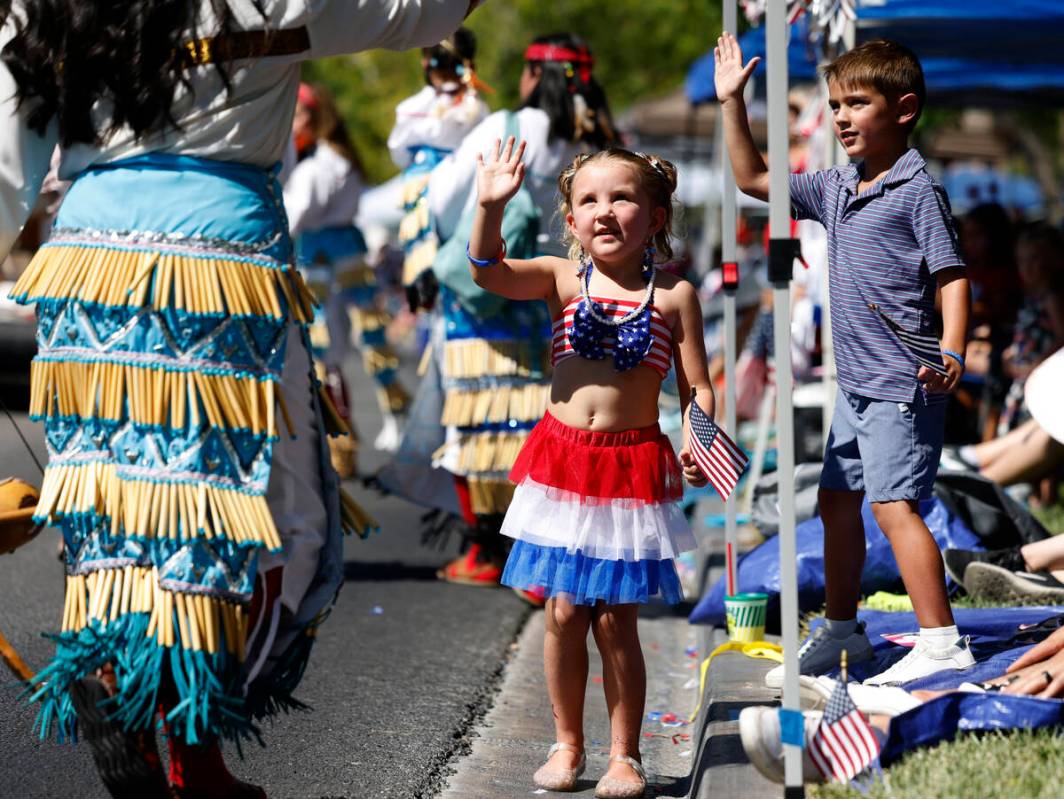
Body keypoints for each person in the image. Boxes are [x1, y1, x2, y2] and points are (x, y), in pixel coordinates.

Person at [0, 1, 476, 796]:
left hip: (85, 263)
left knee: (113, 501)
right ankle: (194, 743)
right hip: (222, 261)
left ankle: (115, 669)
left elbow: (7, 167)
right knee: (251, 515)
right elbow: (423, 13)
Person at [715, 34, 973, 687]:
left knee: (893, 507)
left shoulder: (918, 191)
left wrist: (952, 349)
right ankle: (841, 627)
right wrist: (732, 104)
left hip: (902, 382)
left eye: (857, 102)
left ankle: (942, 640)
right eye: (834, 104)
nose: (841, 116)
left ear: (905, 108)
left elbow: (951, 276)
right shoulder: (837, 185)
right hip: (855, 387)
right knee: (835, 503)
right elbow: (752, 180)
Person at [468, 142, 709, 797]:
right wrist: (489, 205)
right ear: (570, 220)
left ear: (656, 215)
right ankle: (567, 742)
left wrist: (699, 434)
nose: (605, 211)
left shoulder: (674, 296)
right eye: (589, 200)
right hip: (563, 465)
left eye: (623, 197)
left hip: (630, 470)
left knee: (615, 619)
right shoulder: (561, 279)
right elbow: (487, 269)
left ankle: (624, 754)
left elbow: (698, 387)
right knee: (566, 612)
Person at [424, 33, 616, 595]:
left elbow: (445, 196)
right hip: (557, 291)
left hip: (489, 292)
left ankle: (493, 553)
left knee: (479, 419)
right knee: (545, 415)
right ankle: (546, 555)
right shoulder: (594, 132)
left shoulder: (511, 125)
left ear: (534, 74)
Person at [285, 82, 411, 465]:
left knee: (328, 348)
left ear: (315, 118)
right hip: (345, 255)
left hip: (323, 261)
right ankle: (378, 425)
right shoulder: (338, 159)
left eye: (298, 114)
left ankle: (347, 438)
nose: (291, 123)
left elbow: (295, 214)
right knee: (361, 341)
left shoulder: (319, 164)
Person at [388, 27, 489, 296]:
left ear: (427, 62)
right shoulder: (478, 109)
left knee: (429, 262)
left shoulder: (413, 108)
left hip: (425, 190)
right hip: (467, 190)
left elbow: (398, 151)